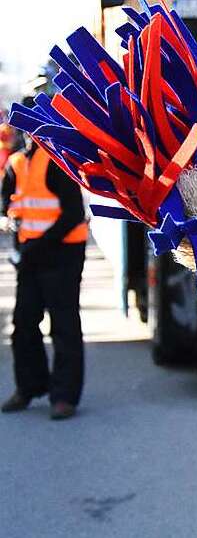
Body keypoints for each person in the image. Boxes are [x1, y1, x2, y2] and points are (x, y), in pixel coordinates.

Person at [1, 142, 87, 420]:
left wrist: (35, 247)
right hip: (31, 256)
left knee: (64, 326)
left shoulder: (56, 159)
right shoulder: (16, 163)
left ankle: (64, 397)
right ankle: (29, 387)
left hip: (63, 253)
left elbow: (73, 214)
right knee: (23, 323)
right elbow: (10, 205)